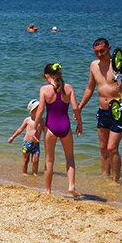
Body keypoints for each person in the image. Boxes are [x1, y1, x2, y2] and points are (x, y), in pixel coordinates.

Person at [77, 38, 122, 184]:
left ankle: (115, 181)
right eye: (96, 52)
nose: (99, 54)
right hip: (102, 111)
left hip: (119, 110)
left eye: (102, 51)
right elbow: (90, 89)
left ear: (109, 48)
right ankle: (105, 178)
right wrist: (79, 108)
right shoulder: (93, 66)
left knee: (112, 148)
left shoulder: (120, 66)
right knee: (103, 148)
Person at [38, 62, 81, 197]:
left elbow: (40, 111)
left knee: (49, 159)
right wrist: (80, 123)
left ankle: (48, 190)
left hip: (51, 127)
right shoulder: (68, 88)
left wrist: (35, 129)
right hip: (65, 126)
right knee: (69, 157)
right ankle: (71, 186)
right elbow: (75, 108)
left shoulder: (44, 90)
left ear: (46, 75)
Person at [8, 98, 43, 176]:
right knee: (26, 159)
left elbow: (46, 131)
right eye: (37, 109)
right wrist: (12, 137)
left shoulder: (41, 121)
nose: (40, 110)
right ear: (31, 111)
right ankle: (24, 173)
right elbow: (20, 129)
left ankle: (35, 173)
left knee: (36, 160)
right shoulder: (28, 120)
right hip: (27, 143)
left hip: (36, 144)